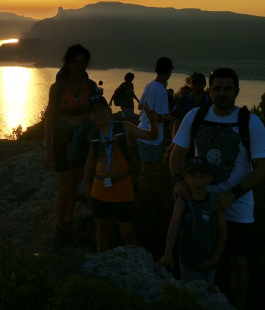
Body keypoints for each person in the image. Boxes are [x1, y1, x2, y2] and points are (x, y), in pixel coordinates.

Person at [169, 68, 265, 310]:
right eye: (217, 88)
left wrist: (233, 194)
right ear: (209, 89)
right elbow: (177, 154)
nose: (222, 93)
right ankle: (192, 307)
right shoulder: (195, 116)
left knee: (239, 263)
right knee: (193, 259)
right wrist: (178, 181)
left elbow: (262, 168)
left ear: (236, 91)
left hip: (237, 207)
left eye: (227, 89)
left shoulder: (250, 122)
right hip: (198, 203)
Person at [82, 96, 159, 252]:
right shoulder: (93, 134)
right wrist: (85, 182)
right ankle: (101, 261)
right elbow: (91, 157)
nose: (98, 113)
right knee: (102, 229)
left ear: (109, 110)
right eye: (93, 111)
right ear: (89, 117)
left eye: (101, 109)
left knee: (128, 232)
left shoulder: (125, 127)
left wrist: (153, 121)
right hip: (99, 187)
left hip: (123, 187)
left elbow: (152, 136)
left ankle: (137, 264)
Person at [43, 44, 98, 250]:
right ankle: (58, 227)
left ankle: (68, 224)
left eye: (83, 62)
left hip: (83, 142)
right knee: (64, 188)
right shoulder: (57, 88)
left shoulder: (90, 87)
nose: (79, 66)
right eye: (75, 61)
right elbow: (50, 118)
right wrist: (48, 149)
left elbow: (95, 114)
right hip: (63, 142)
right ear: (68, 62)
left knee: (74, 187)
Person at [157, 157, 227, 283]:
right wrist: (168, 253)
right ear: (186, 178)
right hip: (188, 262)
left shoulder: (215, 203)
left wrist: (215, 259)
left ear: (209, 178)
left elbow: (223, 233)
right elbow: (173, 228)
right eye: (193, 176)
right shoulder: (182, 203)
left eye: (201, 176)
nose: (197, 181)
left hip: (209, 262)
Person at [136, 57, 174, 177]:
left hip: (142, 131)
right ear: (169, 72)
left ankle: (145, 191)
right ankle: (144, 193)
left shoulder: (149, 85)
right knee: (149, 171)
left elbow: (140, 106)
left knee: (147, 169)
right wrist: (169, 118)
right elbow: (157, 118)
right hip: (152, 137)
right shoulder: (162, 91)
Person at [171, 72, 213, 138]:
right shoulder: (183, 100)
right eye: (194, 82)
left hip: (205, 137)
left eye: (200, 82)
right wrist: (175, 140)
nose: (197, 85)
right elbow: (177, 121)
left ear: (204, 84)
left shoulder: (210, 101)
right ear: (190, 84)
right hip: (185, 137)